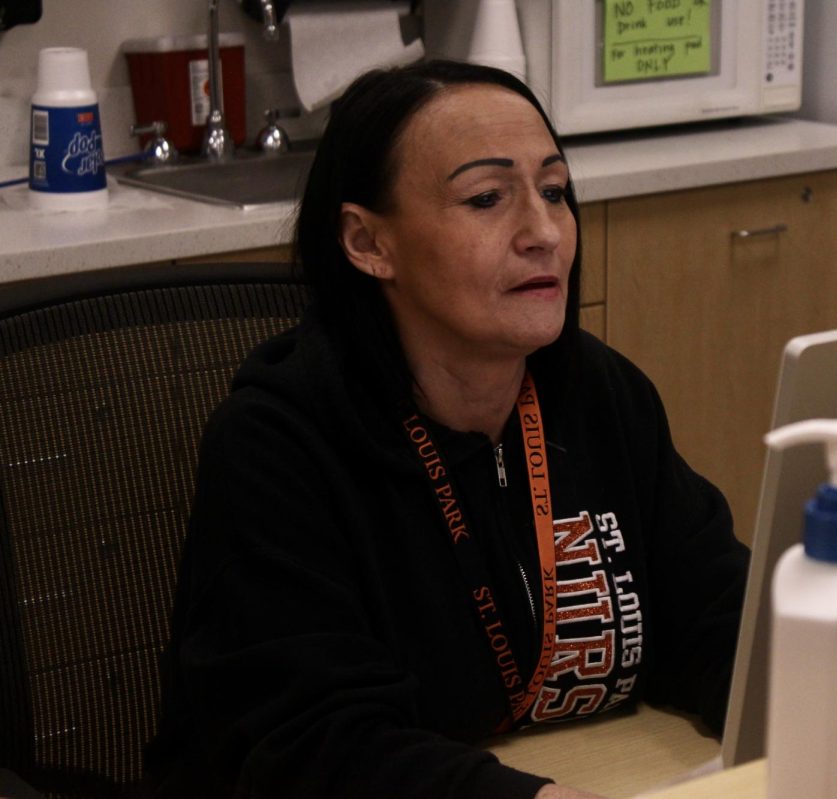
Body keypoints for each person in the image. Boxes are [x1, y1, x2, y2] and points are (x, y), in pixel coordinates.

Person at [143, 60, 749, 799]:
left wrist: (808, 684)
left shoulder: (601, 394)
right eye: (487, 197)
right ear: (369, 243)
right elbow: (313, 745)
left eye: (555, 192)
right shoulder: (276, 444)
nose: (544, 233)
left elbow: (717, 613)